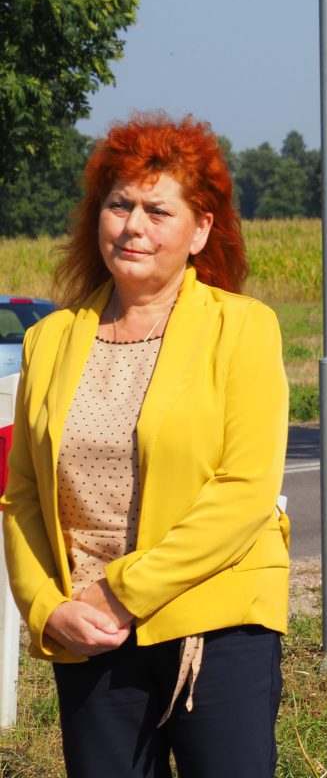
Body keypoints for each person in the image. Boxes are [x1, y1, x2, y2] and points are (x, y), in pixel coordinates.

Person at [1, 113, 289, 777]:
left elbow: (244, 492)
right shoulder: (48, 339)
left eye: (158, 211)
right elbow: (22, 495)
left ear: (201, 230)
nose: (133, 226)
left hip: (215, 623)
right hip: (90, 631)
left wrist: (122, 591)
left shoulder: (244, 328)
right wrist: (48, 609)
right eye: (119, 205)